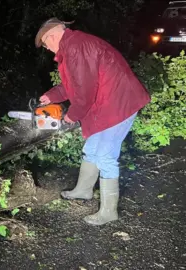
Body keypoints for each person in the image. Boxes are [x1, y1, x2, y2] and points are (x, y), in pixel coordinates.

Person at [35, 18, 151, 225]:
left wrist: (72, 115)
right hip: (108, 103)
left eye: (45, 44)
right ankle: (83, 190)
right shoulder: (74, 46)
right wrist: (51, 96)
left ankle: (108, 212)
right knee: (92, 149)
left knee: (105, 155)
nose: (47, 49)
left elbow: (84, 91)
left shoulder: (77, 48)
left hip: (117, 105)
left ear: (51, 36)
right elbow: (74, 83)